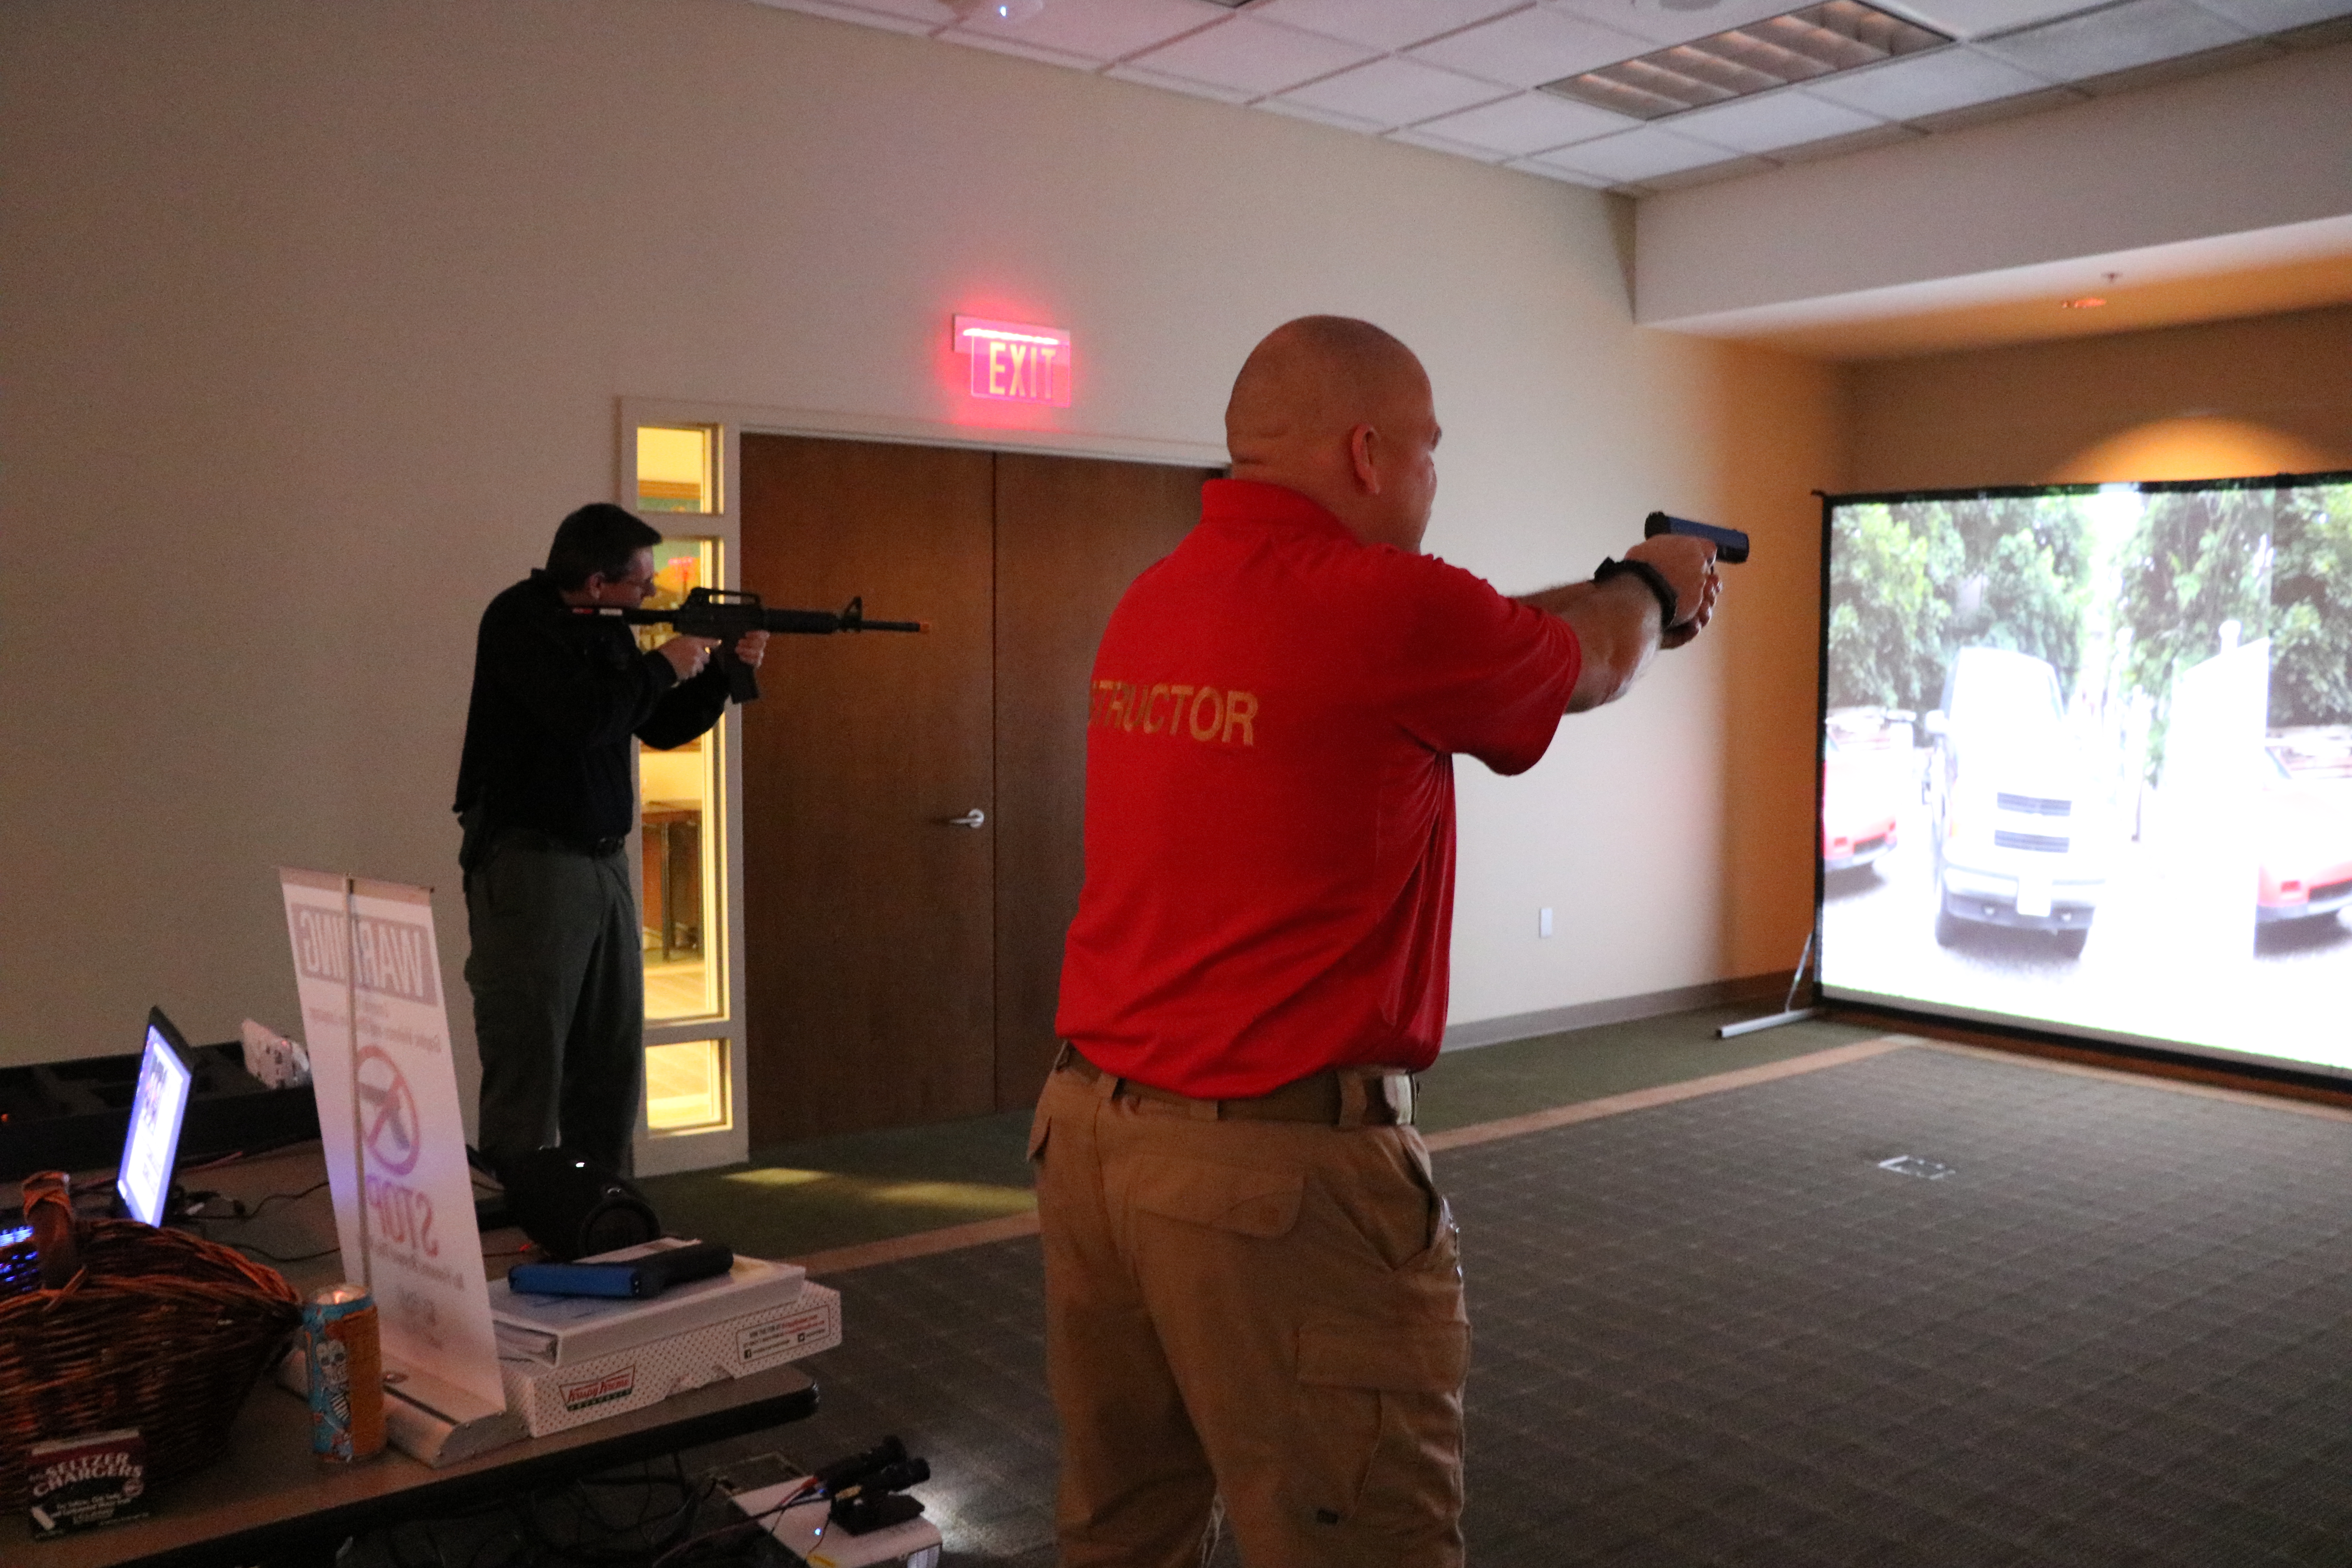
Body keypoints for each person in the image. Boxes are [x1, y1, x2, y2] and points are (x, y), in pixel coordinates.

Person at [1033, 316, 1721, 1567]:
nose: (1430, 476)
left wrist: (1605, 587)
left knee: (1124, 1529)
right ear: (1367, 452)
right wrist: (1657, 582)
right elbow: (1593, 663)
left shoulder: (1162, 596)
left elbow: (1479, 635)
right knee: (1364, 1540)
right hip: (1273, 1183)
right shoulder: (1389, 609)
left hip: (1093, 1146)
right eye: (1428, 451)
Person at [454, 502, 768, 1182]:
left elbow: (653, 725)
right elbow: (583, 718)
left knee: (611, 1055)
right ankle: (523, 1216)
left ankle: (603, 1209)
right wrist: (661, 664)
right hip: (533, 864)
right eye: (639, 584)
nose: (651, 596)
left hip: (602, 863)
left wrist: (715, 674)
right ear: (597, 583)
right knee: (530, 1053)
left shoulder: (605, 630)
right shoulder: (522, 621)